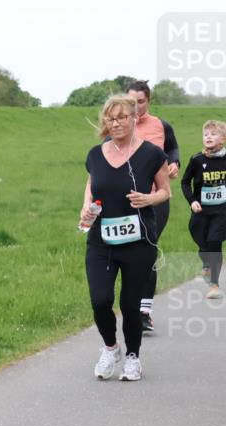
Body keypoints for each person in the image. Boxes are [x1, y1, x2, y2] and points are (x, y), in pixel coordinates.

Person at [80, 94, 171, 381]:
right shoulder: (96, 154)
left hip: (138, 242)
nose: (115, 122)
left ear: (134, 118)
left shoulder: (152, 154)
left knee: (131, 304)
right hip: (101, 241)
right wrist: (85, 208)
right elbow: (92, 186)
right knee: (100, 300)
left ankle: (133, 356)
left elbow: (165, 191)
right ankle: (110, 348)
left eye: (121, 117)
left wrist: (148, 198)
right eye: (110, 117)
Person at [124, 80, 181, 332]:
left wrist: (174, 163)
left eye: (141, 102)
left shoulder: (160, 125)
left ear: (149, 101)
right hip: (125, 199)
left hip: (156, 198)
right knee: (127, 253)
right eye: (131, 102)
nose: (135, 108)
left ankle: (144, 311)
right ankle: (129, 304)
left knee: (148, 248)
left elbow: (172, 147)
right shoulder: (118, 124)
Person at [181, 119, 226, 299]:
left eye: (213, 134)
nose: (208, 137)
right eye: (206, 134)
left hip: (222, 211)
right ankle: (207, 264)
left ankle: (214, 285)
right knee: (203, 243)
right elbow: (185, 182)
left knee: (215, 242)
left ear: (222, 139)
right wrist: (192, 201)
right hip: (200, 211)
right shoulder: (197, 160)